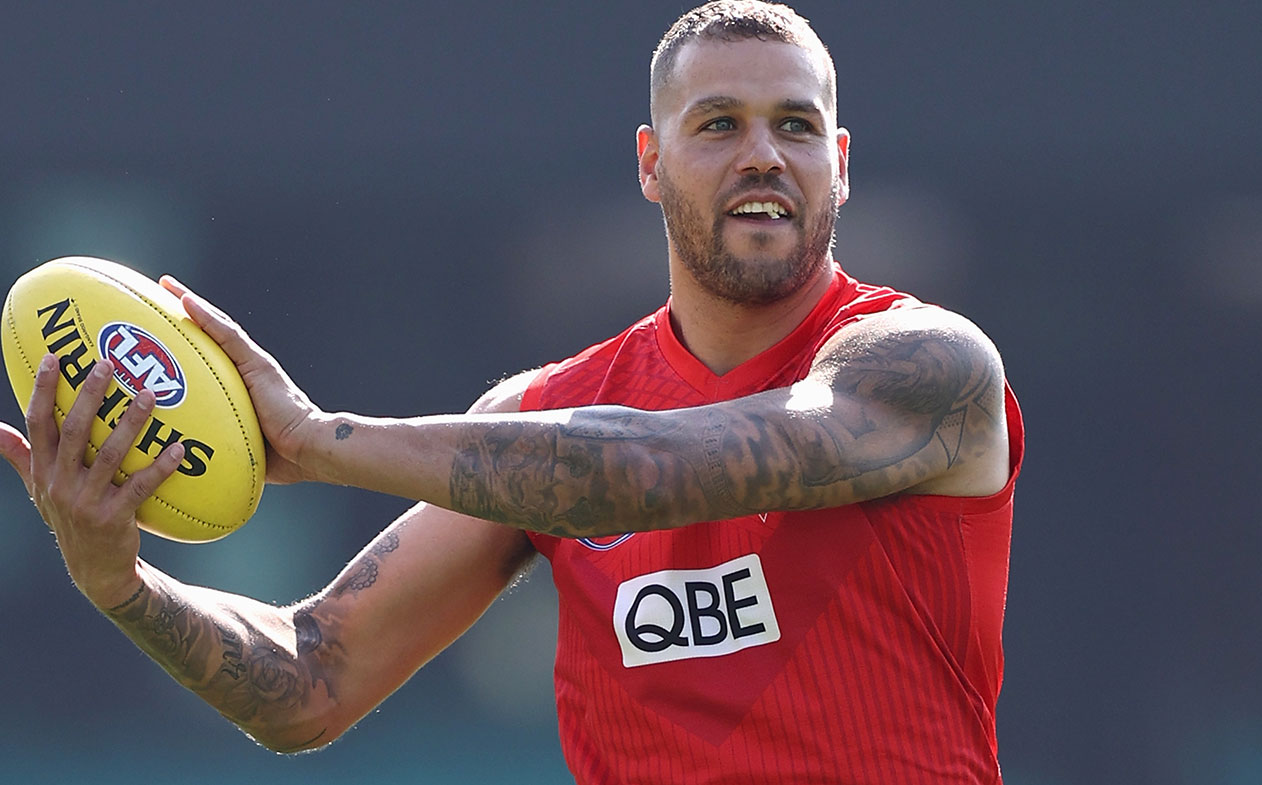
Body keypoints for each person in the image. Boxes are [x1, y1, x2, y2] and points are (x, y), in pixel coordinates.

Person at [0, 2, 1023, 782]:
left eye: (795, 126)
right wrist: (122, 587)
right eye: (717, 124)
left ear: (838, 165)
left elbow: (633, 470)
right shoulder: (543, 411)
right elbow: (310, 678)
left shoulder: (927, 369)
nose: (762, 152)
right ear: (650, 163)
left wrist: (317, 439)